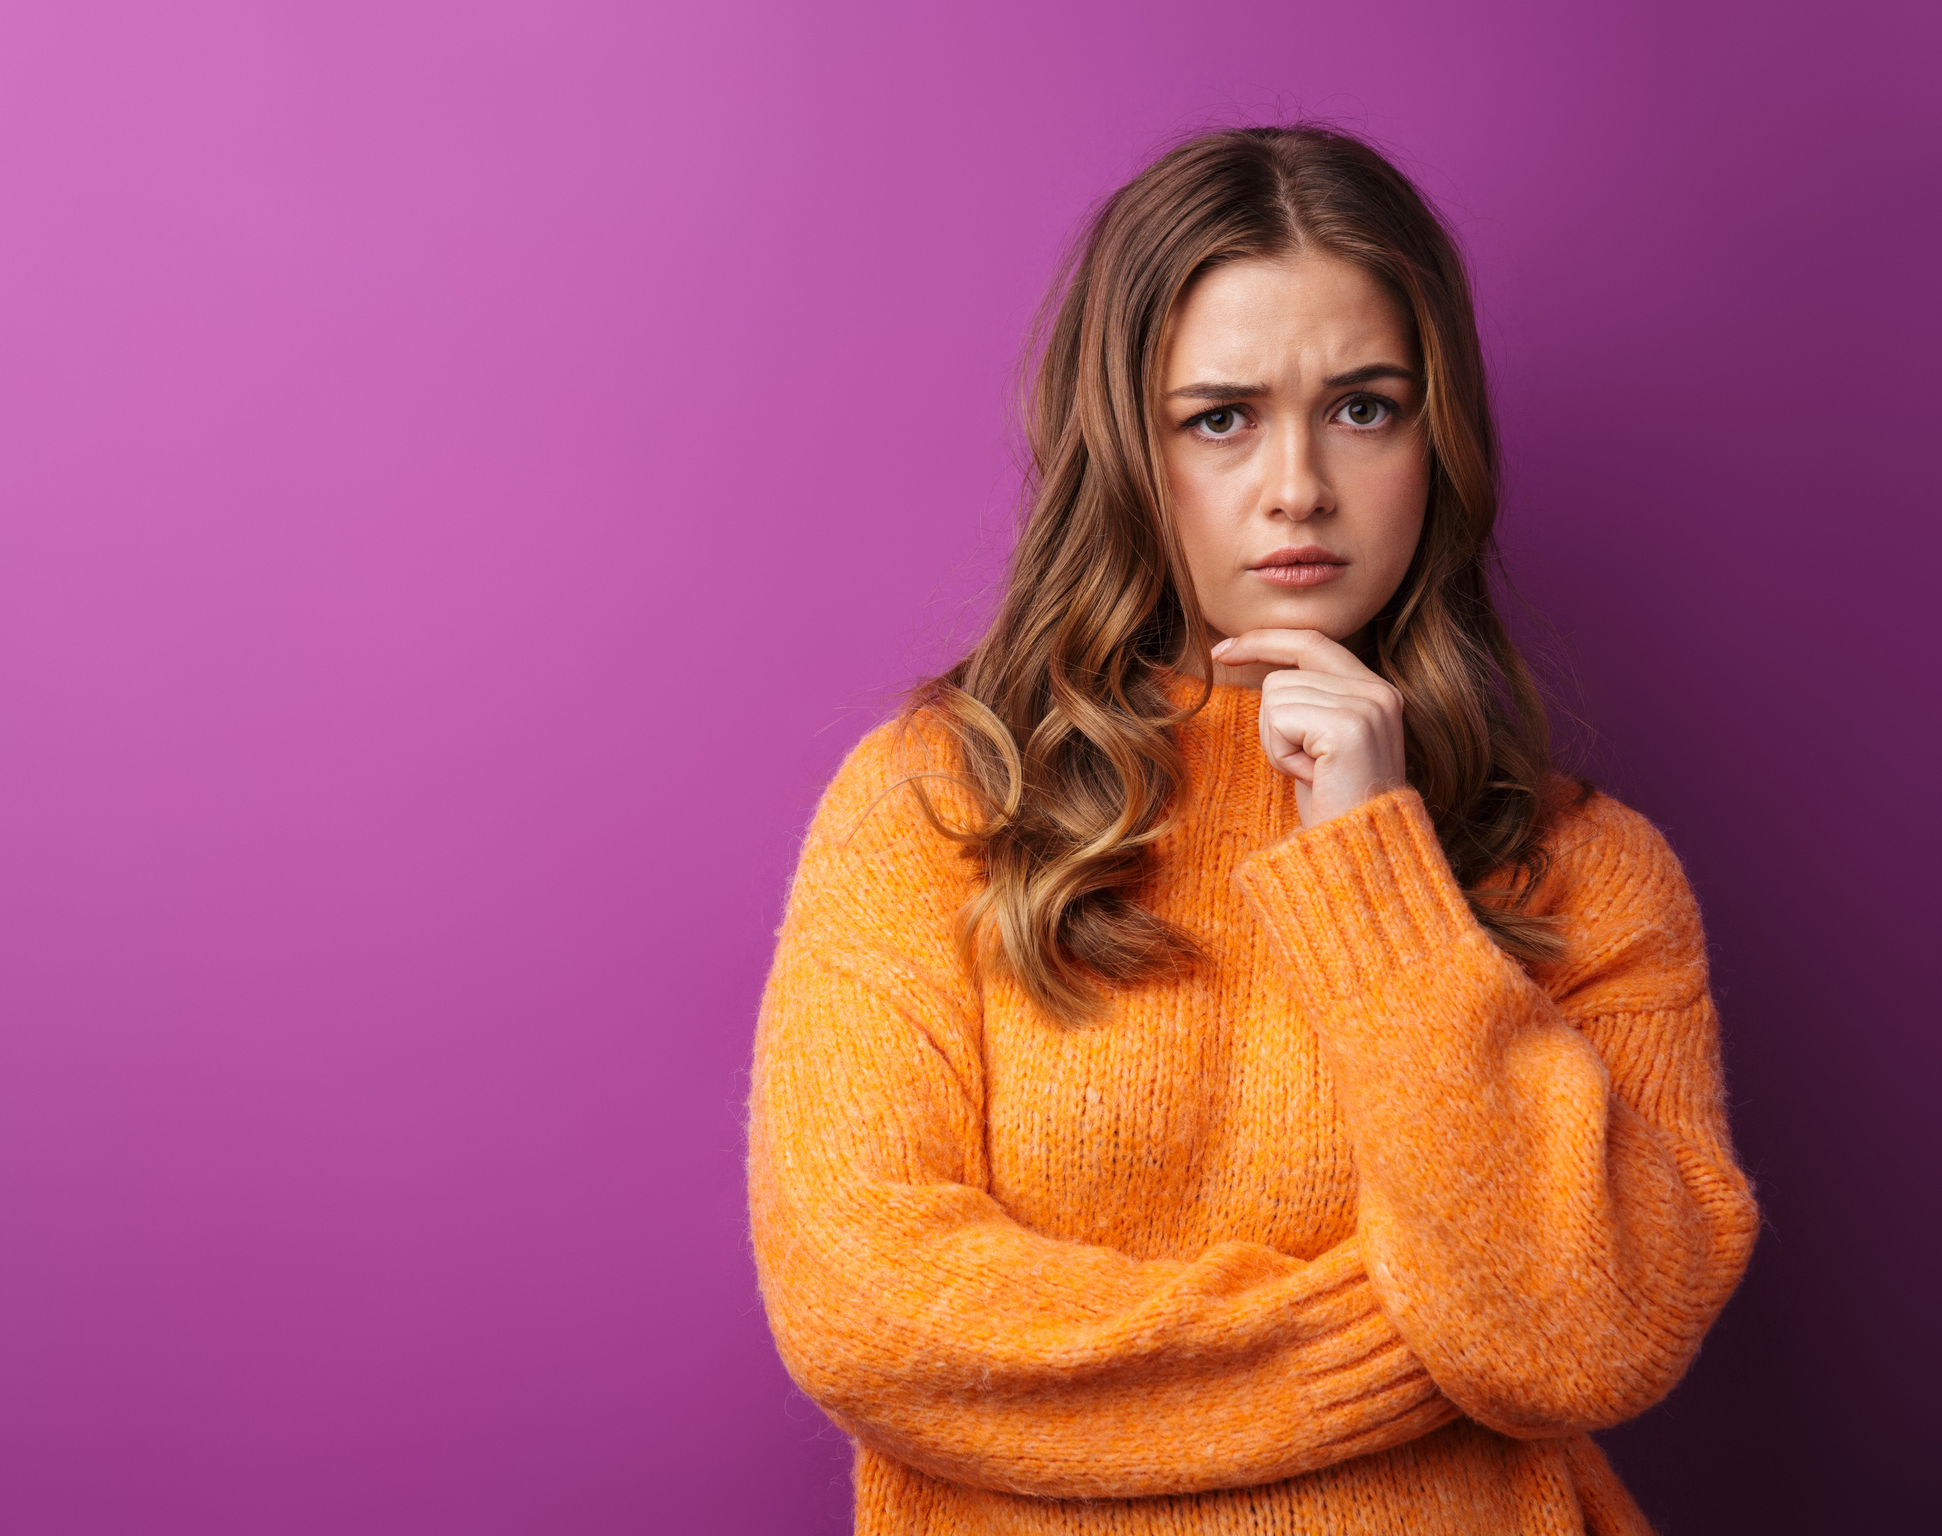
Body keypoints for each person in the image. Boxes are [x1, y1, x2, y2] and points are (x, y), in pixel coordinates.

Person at [744, 125, 1758, 1535]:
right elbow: (870, 1317)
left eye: (1363, 407)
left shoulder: (1597, 878)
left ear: (1438, 432)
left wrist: (1373, 864)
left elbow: (1580, 1344)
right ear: (1127, 447)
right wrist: (1416, 1344)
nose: (1298, 487)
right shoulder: (936, 806)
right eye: (1220, 417)